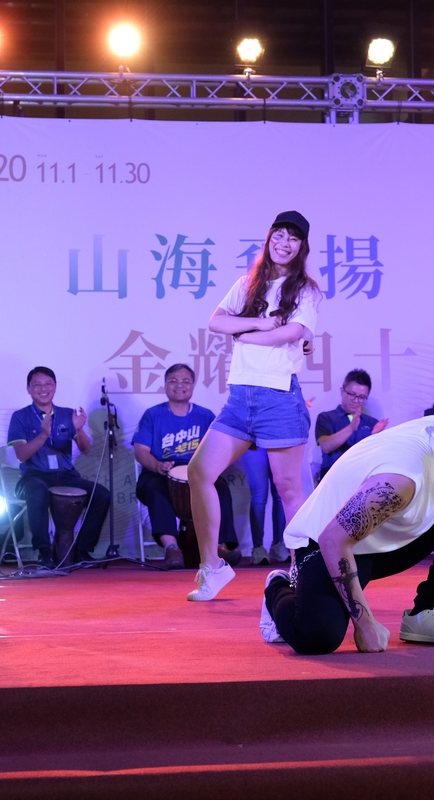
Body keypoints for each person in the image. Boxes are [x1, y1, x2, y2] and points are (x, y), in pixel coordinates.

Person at [261, 393, 434, 654]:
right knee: (318, 636)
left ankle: (426, 611)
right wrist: (366, 624)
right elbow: (332, 540)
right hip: (325, 545)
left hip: (385, 536)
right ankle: (278, 588)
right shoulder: (400, 480)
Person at [186, 210, 321, 601]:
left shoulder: (307, 291)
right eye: (278, 234)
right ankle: (211, 567)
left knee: (290, 490)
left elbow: (293, 333)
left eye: (293, 238)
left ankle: (303, 576)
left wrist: (245, 333)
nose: (284, 242)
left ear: (302, 246)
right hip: (240, 397)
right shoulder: (248, 283)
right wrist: (260, 325)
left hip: (278, 396)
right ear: (268, 239)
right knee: (199, 472)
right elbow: (215, 321)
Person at [133, 363, 238, 570]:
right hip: (159, 472)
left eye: (185, 381)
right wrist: (158, 465)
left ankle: (219, 546)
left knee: (221, 488)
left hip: (197, 472)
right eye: (173, 380)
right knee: (155, 489)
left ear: (193, 385)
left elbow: (219, 448)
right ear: (165, 385)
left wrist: (209, 468)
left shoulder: (205, 415)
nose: (179, 385)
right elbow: (140, 451)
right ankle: (172, 548)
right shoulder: (153, 415)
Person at [7, 366, 110, 568]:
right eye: (37, 384)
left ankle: (81, 551)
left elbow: (85, 448)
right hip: (33, 476)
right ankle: (44, 553)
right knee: (37, 491)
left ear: (55, 387)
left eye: (48, 384)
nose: (43, 388)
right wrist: (43, 434)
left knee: (101, 494)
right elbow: (21, 455)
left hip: (65, 476)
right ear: (28, 389)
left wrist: (78, 429)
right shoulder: (20, 417)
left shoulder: (66, 414)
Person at [315, 368, 388, 483]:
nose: (356, 400)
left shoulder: (372, 423)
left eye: (361, 397)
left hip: (362, 478)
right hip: (332, 477)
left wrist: (374, 437)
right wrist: (351, 428)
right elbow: (326, 446)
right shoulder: (326, 417)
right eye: (352, 394)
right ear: (342, 391)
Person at [240, 447, 287, 565]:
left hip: (278, 440)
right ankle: (258, 549)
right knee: (259, 496)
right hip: (254, 443)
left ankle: (278, 545)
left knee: (280, 494)